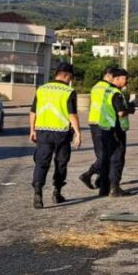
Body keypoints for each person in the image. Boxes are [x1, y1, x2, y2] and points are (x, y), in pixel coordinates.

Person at [29, 62, 82, 209]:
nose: (71, 80)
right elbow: (72, 114)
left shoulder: (41, 89)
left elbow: (33, 112)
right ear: (67, 75)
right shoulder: (69, 91)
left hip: (42, 132)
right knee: (61, 163)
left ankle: (38, 191)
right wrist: (78, 133)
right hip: (62, 133)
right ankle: (57, 192)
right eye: (71, 77)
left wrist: (32, 130)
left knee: (41, 163)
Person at [100, 68, 135, 197]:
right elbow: (120, 113)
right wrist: (130, 109)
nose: (127, 81)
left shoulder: (107, 91)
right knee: (117, 158)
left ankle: (104, 188)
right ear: (117, 78)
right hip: (116, 130)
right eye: (125, 78)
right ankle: (115, 188)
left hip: (106, 128)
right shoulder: (117, 93)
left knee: (107, 158)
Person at [79, 66, 115, 189]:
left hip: (94, 121)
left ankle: (101, 179)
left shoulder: (95, 86)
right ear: (109, 75)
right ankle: (88, 174)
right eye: (114, 77)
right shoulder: (108, 88)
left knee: (102, 153)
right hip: (103, 122)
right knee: (105, 155)